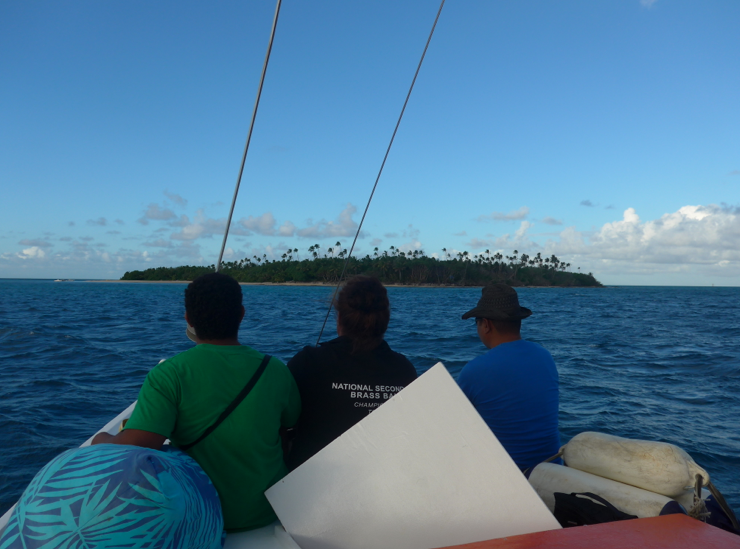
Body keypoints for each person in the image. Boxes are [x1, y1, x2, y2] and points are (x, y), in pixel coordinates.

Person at [92, 272, 301, 532]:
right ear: (241, 314)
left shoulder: (168, 375)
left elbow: (135, 448)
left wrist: (100, 439)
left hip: (199, 513)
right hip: (265, 510)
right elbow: (290, 426)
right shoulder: (275, 370)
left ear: (188, 319)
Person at [285, 275, 417, 470]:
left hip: (313, 490)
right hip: (383, 483)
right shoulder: (405, 370)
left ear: (339, 318)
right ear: (385, 321)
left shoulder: (306, 363)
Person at [457, 283, 560, 471]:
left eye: (477, 322)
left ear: (486, 324)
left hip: (511, 479)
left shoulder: (475, 371)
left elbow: (453, 426)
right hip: (551, 470)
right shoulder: (545, 356)